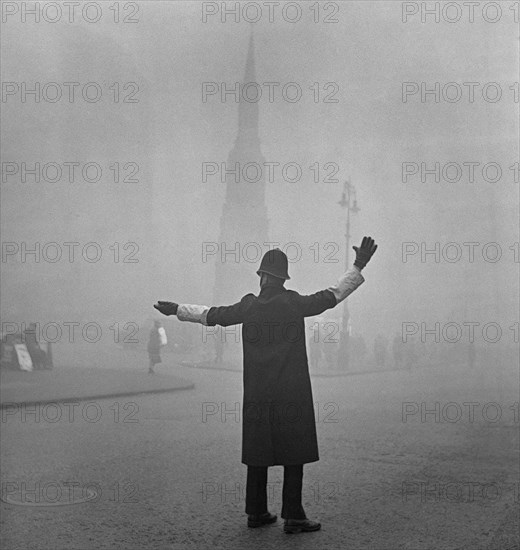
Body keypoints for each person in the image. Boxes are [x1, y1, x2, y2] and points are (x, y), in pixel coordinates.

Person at [154, 236, 377, 533]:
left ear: (261, 277)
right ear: (283, 279)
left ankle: (257, 512)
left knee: (258, 453)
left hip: (258, 393)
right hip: (291, 392)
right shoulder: (293, 303)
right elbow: (332, 296)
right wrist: (359, 264)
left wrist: (177, 309)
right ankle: (294, 515)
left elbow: (212, 315)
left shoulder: (249, 307)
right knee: (294, 453)